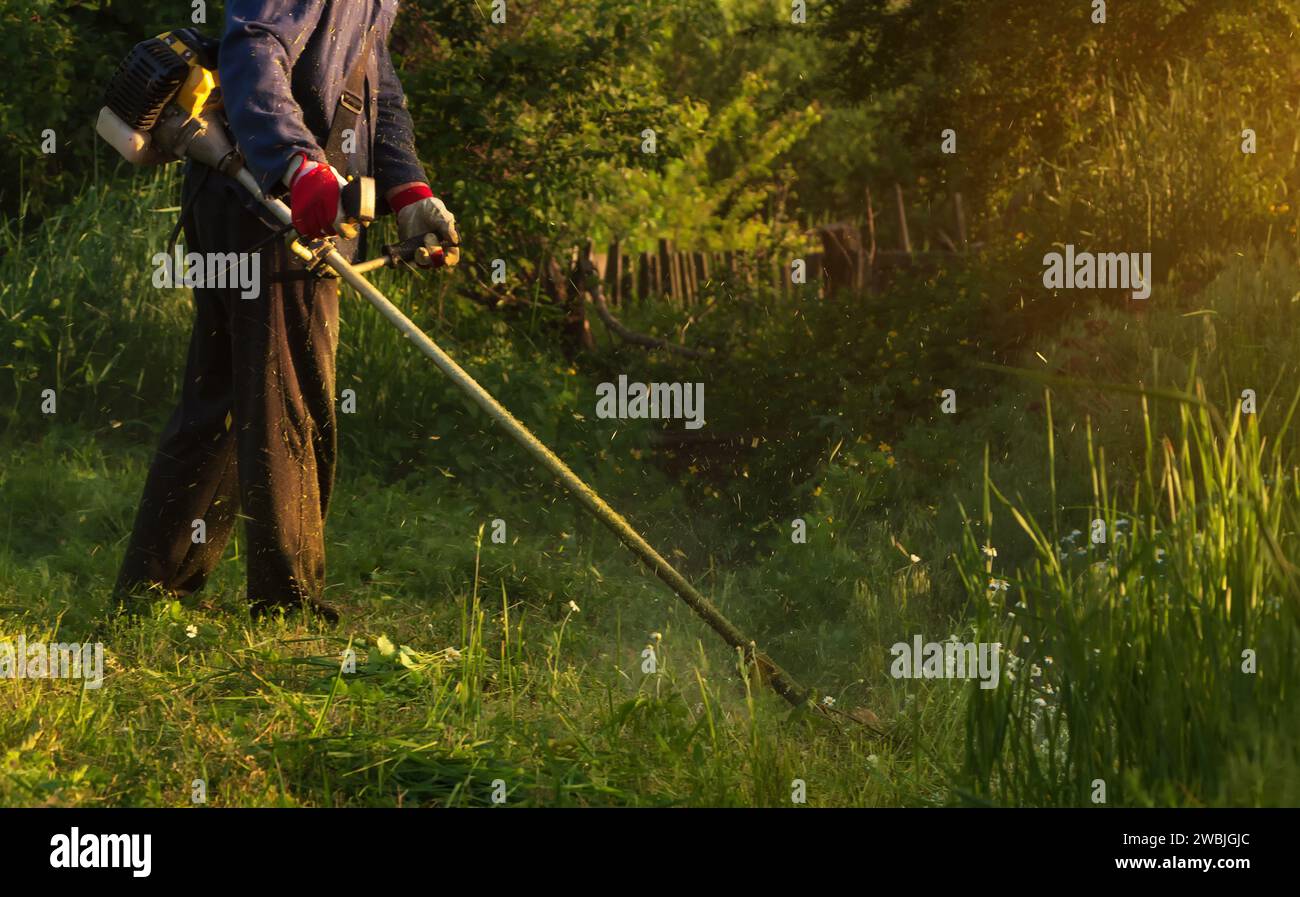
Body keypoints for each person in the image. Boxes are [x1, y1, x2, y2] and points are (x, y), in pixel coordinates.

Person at [114, 1, 458, 621]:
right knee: (288, 397)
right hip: (268, 201)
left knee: (224, 401)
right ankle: (286, 605)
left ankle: (152, 591)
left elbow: (372, 81)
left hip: (281, 199)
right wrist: (299, 164)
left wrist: (409, 190)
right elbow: (254, 45)